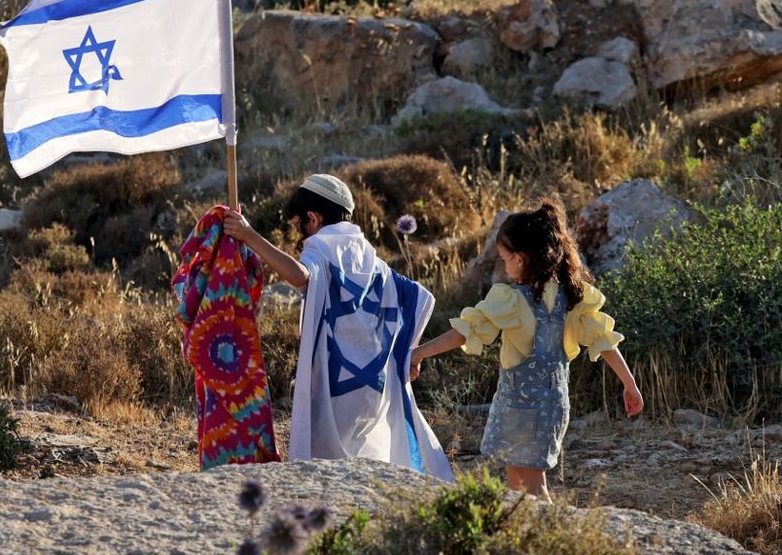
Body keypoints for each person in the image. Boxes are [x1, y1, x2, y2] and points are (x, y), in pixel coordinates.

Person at [410, 197, 644, 501]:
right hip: (552, 406)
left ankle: (552, 542)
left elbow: (463, 332)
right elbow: (605, 339)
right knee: (521, 485)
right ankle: (525, 540)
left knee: (531, 486)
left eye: (504, 258)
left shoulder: (511, 299)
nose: (504, 267)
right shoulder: (573, 297)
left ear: (520, 258)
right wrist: (630, 384)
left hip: (517, 407)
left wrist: (418, 353)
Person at [225, 174, 453, 480]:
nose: (299, 235)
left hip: (336, 382)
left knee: (326, 467)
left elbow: (300, 276)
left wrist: (249, 236)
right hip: (373, 382)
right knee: (365, 460)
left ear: (313, 218)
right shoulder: (368, 254)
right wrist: (409, 353)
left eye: (298, 225)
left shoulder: (321, 246)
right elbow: (417, 298)